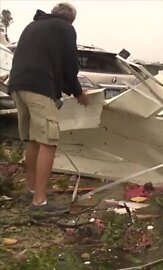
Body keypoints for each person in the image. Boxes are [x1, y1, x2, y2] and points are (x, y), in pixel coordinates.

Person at [8, 2, 89, 215]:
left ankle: (32, 189)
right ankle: (39, 203)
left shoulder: (32, 26)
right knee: (48, 142)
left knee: (34, 139)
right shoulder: (65, 29)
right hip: (39, 88)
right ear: (70, 19)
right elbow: (70, 66)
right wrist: (79, 94)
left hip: (17, 87)